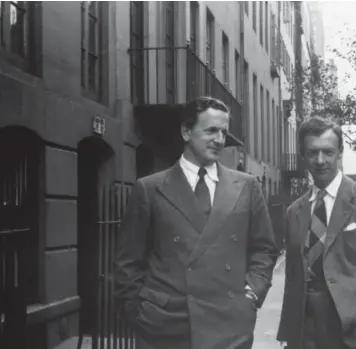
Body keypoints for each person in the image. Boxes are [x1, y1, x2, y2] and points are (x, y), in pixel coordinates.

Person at [113, 96, 278, 349]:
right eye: (211, 130)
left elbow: (264, 249)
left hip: (230, 325)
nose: (220, 140)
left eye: (223, 132)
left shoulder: (247, 186)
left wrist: (252, 294)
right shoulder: (150, 188)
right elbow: (128, 262)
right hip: (166, 327)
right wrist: (140, 312)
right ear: (186, 131)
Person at [277, 117, 356, 349]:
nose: (320, 160)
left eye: (328, 152)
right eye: (313, 152)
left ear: (340, 152)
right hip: (306, 334)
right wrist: (288, 332)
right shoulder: (294, 212)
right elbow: (293, 278)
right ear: (303, 156)